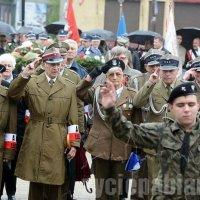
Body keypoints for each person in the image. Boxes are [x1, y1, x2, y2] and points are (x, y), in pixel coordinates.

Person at [101, 80, 200, 199]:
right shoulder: (161, 131)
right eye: (180, 105)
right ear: (170, 107)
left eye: (191, 104)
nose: (186, 109)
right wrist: (111, 109)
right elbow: (127, 132)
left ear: (198, 106)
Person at [7, 47, 79, 200]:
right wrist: (25, 74)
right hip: (36, 135)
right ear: (44, 64)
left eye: (58, 64)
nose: (55, 67)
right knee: (36, 182)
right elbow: (12, 94)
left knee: (56, 182)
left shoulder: (69, 86)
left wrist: (74, 144)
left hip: (58, 138)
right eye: (51, 64)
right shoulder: (31, 82)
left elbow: (73, 119)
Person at [76, 58, 144, 200]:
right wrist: (90, 76)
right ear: (106, 77)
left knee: (116, 190)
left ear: (124, 77)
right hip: (100, 146)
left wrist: (137, 147)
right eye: (110, 75)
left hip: (122, 147)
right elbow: (79, 92)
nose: (114, 78)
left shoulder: (131, 94)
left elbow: (136, 122)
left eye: (118, 74)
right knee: (101, 191)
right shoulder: (97, 92)